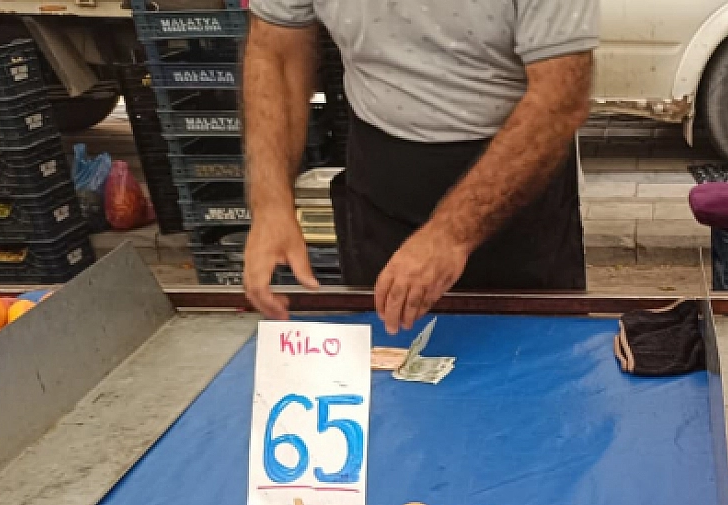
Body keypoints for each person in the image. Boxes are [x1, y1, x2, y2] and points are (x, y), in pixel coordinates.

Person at [242, 0, 599, 332]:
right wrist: (270, 205)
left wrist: (450, 233)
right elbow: (275, 51)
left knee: (532, 374)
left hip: (517, 193)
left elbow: (560, 99)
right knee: (391, 376)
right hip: (380, 183)